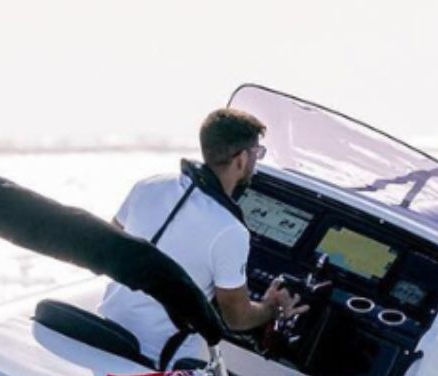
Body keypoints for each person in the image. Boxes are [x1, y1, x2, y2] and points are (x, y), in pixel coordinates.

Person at [98, 108, 303, 362]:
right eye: (256, 154)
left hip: (106, 325)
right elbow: (236, 318)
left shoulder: (149, 185)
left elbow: (108, 244)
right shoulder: (231, 231)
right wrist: (272, 308)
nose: (255, 162)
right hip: (158, 358)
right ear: (240, 159)